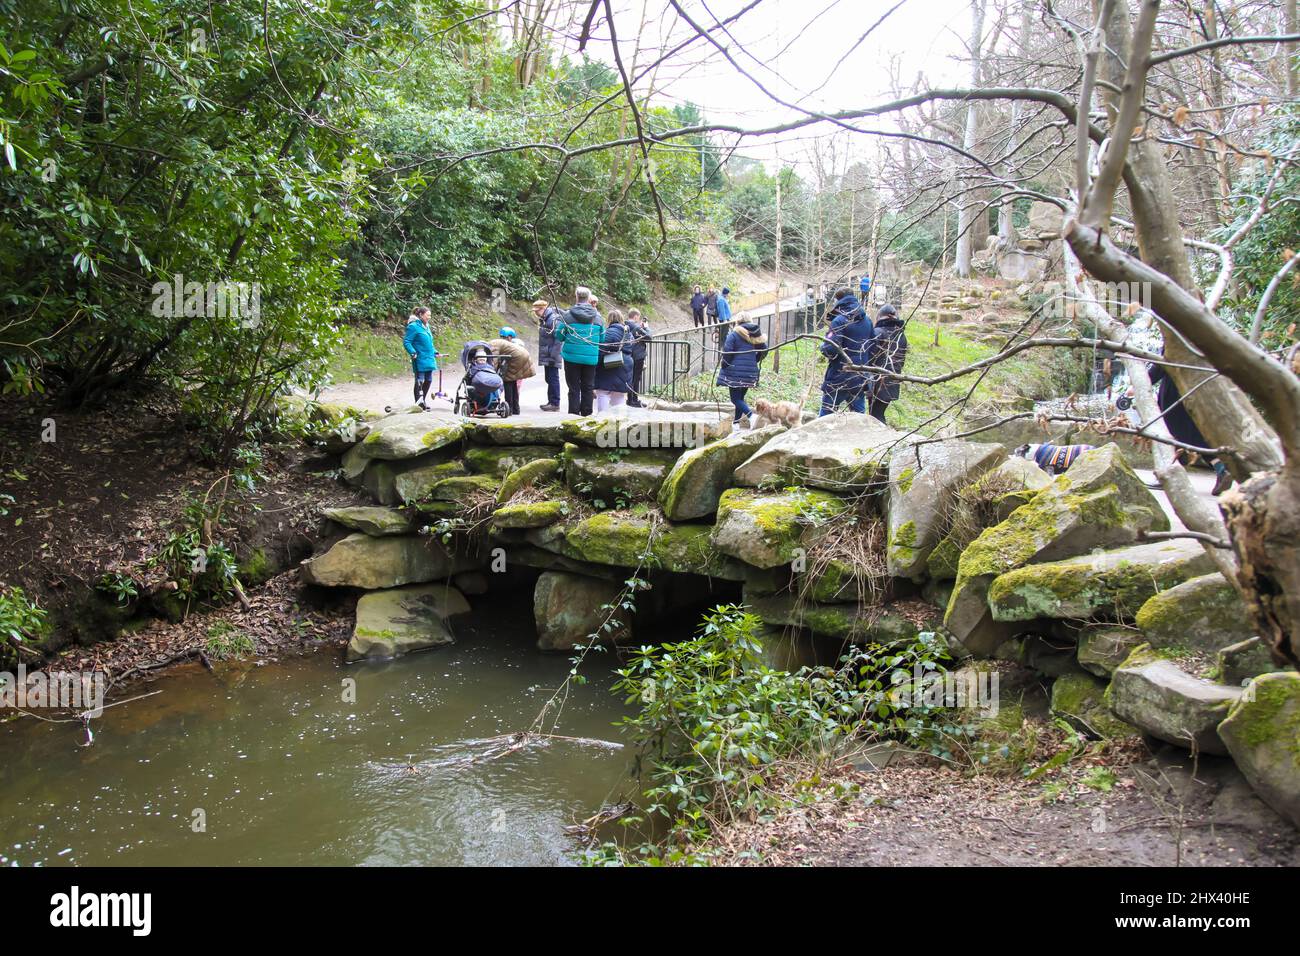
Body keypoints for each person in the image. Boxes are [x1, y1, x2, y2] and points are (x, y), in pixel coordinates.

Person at [1148, 360, 1234, 496]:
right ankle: (1220, 468)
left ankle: (1167, 476)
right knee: (1196, 434)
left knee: (1169, 435)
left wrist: (1146, 380)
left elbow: (1164, 361)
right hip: (1199, 388)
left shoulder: (1178, 338)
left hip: (1175, 393)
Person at [818, 288, 875, 416]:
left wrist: (823, 347)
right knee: (859, 417)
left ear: (838, 301)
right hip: (860, 376)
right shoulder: (867, 321)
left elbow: (831, 348)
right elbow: (873, 348)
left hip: (838, 376)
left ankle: (824, 436)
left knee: (826, 416)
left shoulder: (839, 320)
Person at [554, 286, 603, 416]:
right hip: (591, 358)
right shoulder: (597, 317)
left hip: (571, 358)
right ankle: (587, 414)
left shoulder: (568, 315)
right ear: (588, 298)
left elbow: (559, 334)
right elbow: (602, 338)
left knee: (573, 387)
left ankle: (573, 414)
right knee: (588, 386)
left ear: (576, 297)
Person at [716, 311, 767, 426]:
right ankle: (735, 425)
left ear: (738, 321)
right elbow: (764, 350)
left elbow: (727, 352)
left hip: (734, 372)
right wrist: (755, 360)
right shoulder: (756, 335)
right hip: (750, 373)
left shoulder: (734, 334)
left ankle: (751, 416)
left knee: (735, 399)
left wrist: (725, 365)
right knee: (740, 399)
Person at [864, 304, 907, 423]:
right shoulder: (900, 336)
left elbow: (869, 357)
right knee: (878, 413)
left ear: (879, 317)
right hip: (893, 379)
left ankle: (879, 439)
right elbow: (901, 360)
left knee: (875, 415)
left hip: (878, 381)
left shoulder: (877, 332)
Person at [593, 309, 634, 412]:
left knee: (603, 393)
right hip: (625, 366)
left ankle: (602, 420)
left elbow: (602, 350)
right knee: (619, 396)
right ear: (621, 318)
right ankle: (619, 423)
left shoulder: (609, 332)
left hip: (609, 366)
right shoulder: (628, 333)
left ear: (609, 319)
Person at [488, 327, 534, 416]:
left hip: (518, 358)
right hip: (524, 356)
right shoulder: (507, 344)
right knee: (512, 382)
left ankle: (509, 408)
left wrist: (491, 372)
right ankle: (516, 409)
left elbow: (495, 360)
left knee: (507, 381)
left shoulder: (494, 344)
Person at [532, 299, 564, 411]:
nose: (536, 313)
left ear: (543, 309)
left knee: (553, 378)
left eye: (537, 311)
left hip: (552, 355)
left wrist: (553, 355)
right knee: (549, 378)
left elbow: (558, 340)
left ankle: (555, 403)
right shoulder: (545, 319)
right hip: (548, 354)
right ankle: (551, 402)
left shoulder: (553, 319)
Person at [403, 306, 437, 410]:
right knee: (420, 381)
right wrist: (412, 352)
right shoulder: (413, 326)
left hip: (429, 358)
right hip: (419, 358)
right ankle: (418, 403)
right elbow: (407, 341)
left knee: (429, 380)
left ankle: (423, 400)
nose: (429, 317)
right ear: (421, 315)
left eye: (430, 315)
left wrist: (435, 351)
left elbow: (429, 343)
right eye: (428, 315)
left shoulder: (427, 326)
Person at [625, 309, 652, 407]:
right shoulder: (636, 327)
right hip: (637, 356)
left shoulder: (625, 325)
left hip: (628, 354)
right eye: (638, 317)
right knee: (636, 378)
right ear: (635, 316)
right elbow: (649, 337)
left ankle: (630, 399)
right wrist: (646, 328)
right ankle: (633, 400)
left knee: (631, 377)